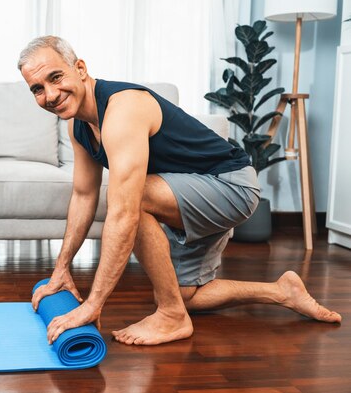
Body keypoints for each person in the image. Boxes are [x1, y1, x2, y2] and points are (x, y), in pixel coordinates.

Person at [17, 35, 342, 347]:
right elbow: (83, 195)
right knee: (187, 295)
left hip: (232, 186)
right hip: (189, 195)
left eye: (55, 77)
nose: (50, 94)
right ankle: (283, 291)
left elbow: (124, 212)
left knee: (133, 197)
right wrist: (61, 270)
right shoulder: (80, 128)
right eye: (37, 89)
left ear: (81, 68)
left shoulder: (122, 108)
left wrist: (92, 304)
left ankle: (171, 316)